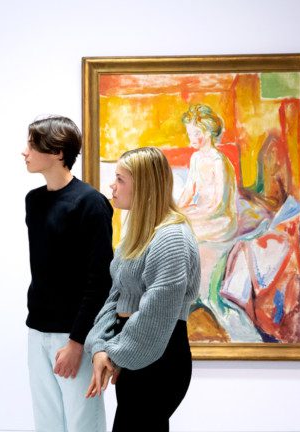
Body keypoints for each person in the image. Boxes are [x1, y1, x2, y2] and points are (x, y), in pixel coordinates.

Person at [85, 147, 201, 432]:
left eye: (120, 179)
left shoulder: (171, 237)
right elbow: (116, 296)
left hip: (160, 358)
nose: (112, 185)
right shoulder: (136, 237)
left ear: (145, 185)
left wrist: (112, 353)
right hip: (137, 353)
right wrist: (100, 345)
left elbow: (156, 312)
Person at [21, 116, 114, 432]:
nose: (25, 152)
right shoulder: (33, 201)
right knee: (46, 423)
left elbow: (100, 279)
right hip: (37, 330)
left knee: (83, 422)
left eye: (32, 145)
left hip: (75, 334)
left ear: (58, 152)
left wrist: (76, 342)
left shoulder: (91, 204)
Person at [177, 103, 238, 242]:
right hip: (202, 212)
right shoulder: (195, 158)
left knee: (182, 230)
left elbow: (219, 204)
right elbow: (188, 192)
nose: (191, 138)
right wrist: (176, 211)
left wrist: (192, 216)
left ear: (208, 133)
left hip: (220, 219)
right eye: (190, 133)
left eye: (196, 133)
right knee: (173, 224)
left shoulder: (218, 161)